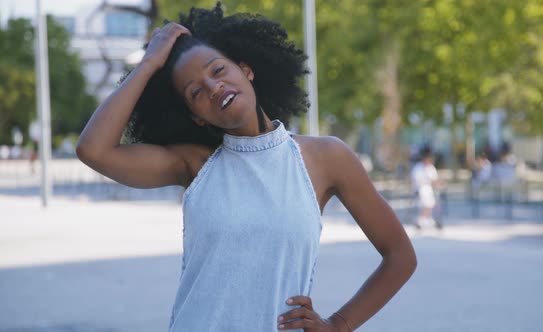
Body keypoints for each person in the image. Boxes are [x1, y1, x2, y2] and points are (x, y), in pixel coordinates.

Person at [76, 3, 416, 331]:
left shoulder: (326, 158)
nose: (213, 86)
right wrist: (148, 64)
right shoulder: (194, 164)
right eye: (196, 92)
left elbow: (400, 255)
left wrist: (339, 325)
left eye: (219, 70)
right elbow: (94, 150)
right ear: (197, 116)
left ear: (247, 71)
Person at [410, 147, 443, 229]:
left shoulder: (431, 168)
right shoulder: (417, 168)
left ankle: (427, 218)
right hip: (419, 189)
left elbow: (434, 179)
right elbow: (417, 181)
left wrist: (439, 184)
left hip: (430, 189)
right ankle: (422, 219)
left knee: (432, 195)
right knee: (425, 192)